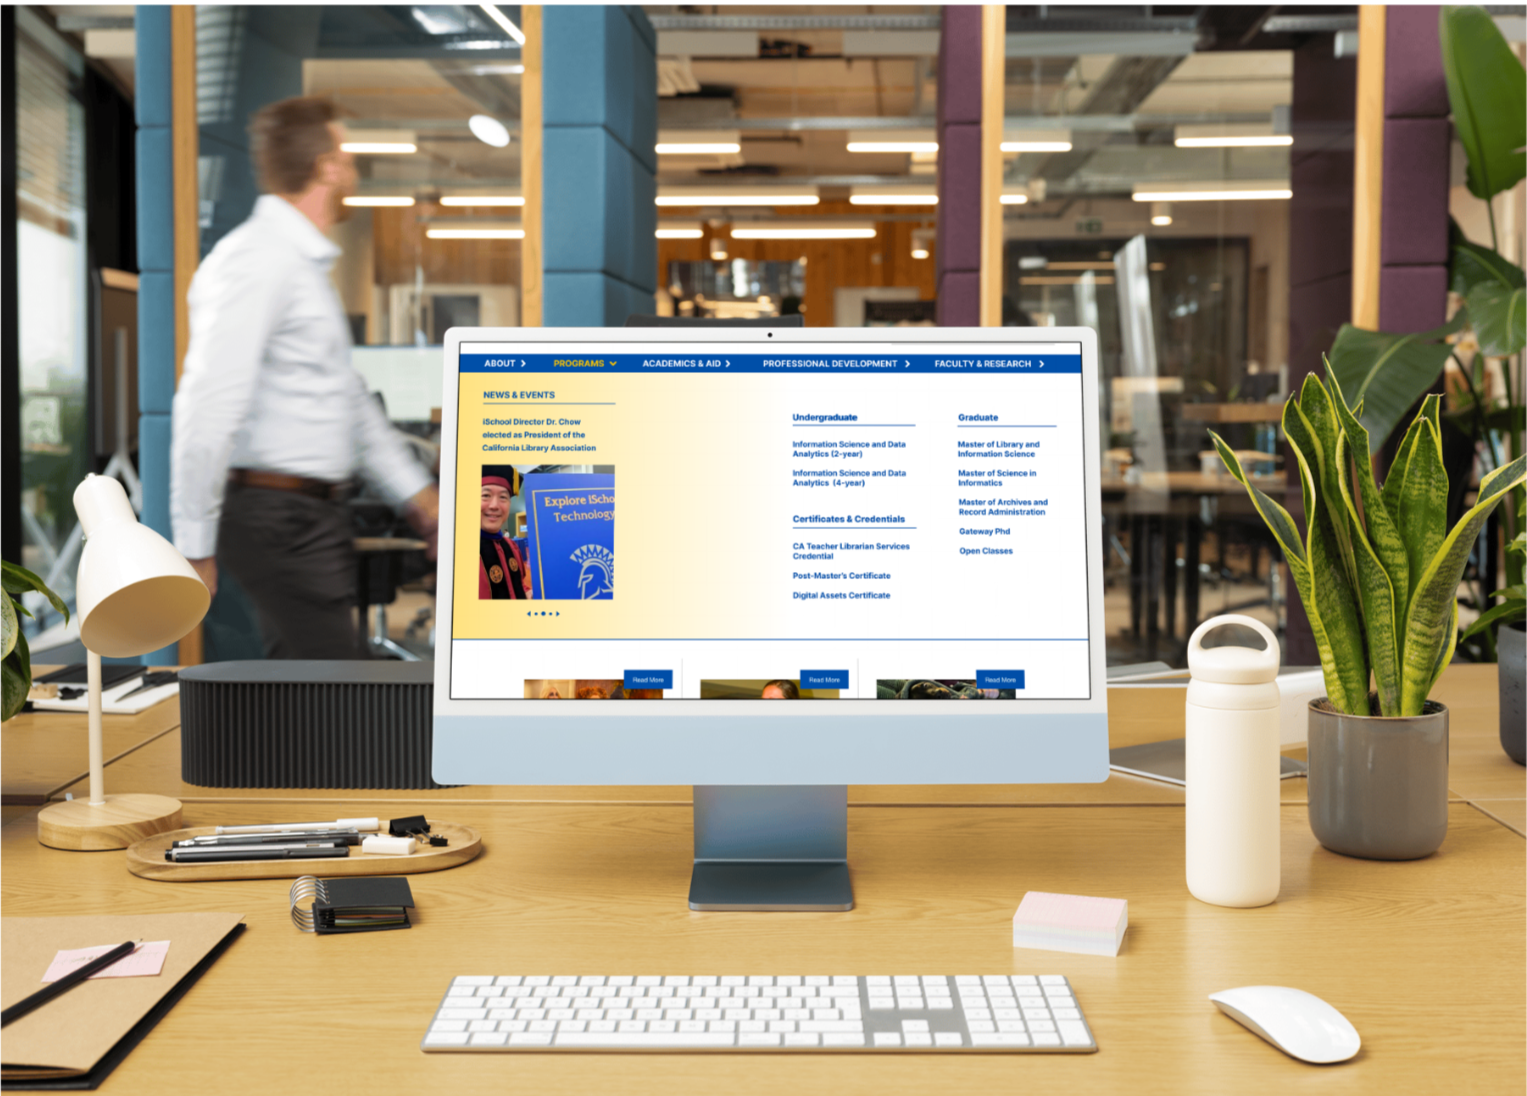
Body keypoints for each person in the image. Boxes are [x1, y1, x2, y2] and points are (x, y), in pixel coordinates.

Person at [170, 96, 438, 658]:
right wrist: (193, 545)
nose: (354, 171)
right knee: (335, 686)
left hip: (311, 515)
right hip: (277, 517)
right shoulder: (256, 260)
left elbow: (350, 406)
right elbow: (208, 404)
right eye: (349, 157)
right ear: (327, 167)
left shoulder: (303, 268)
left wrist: (419, 498)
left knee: (308, 687)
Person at [480, 467, 531, 598]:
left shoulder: (512, 546)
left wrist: (528, 593)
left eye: (503, 497)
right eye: (485, 495)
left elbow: (519, 584)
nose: (494, 505)